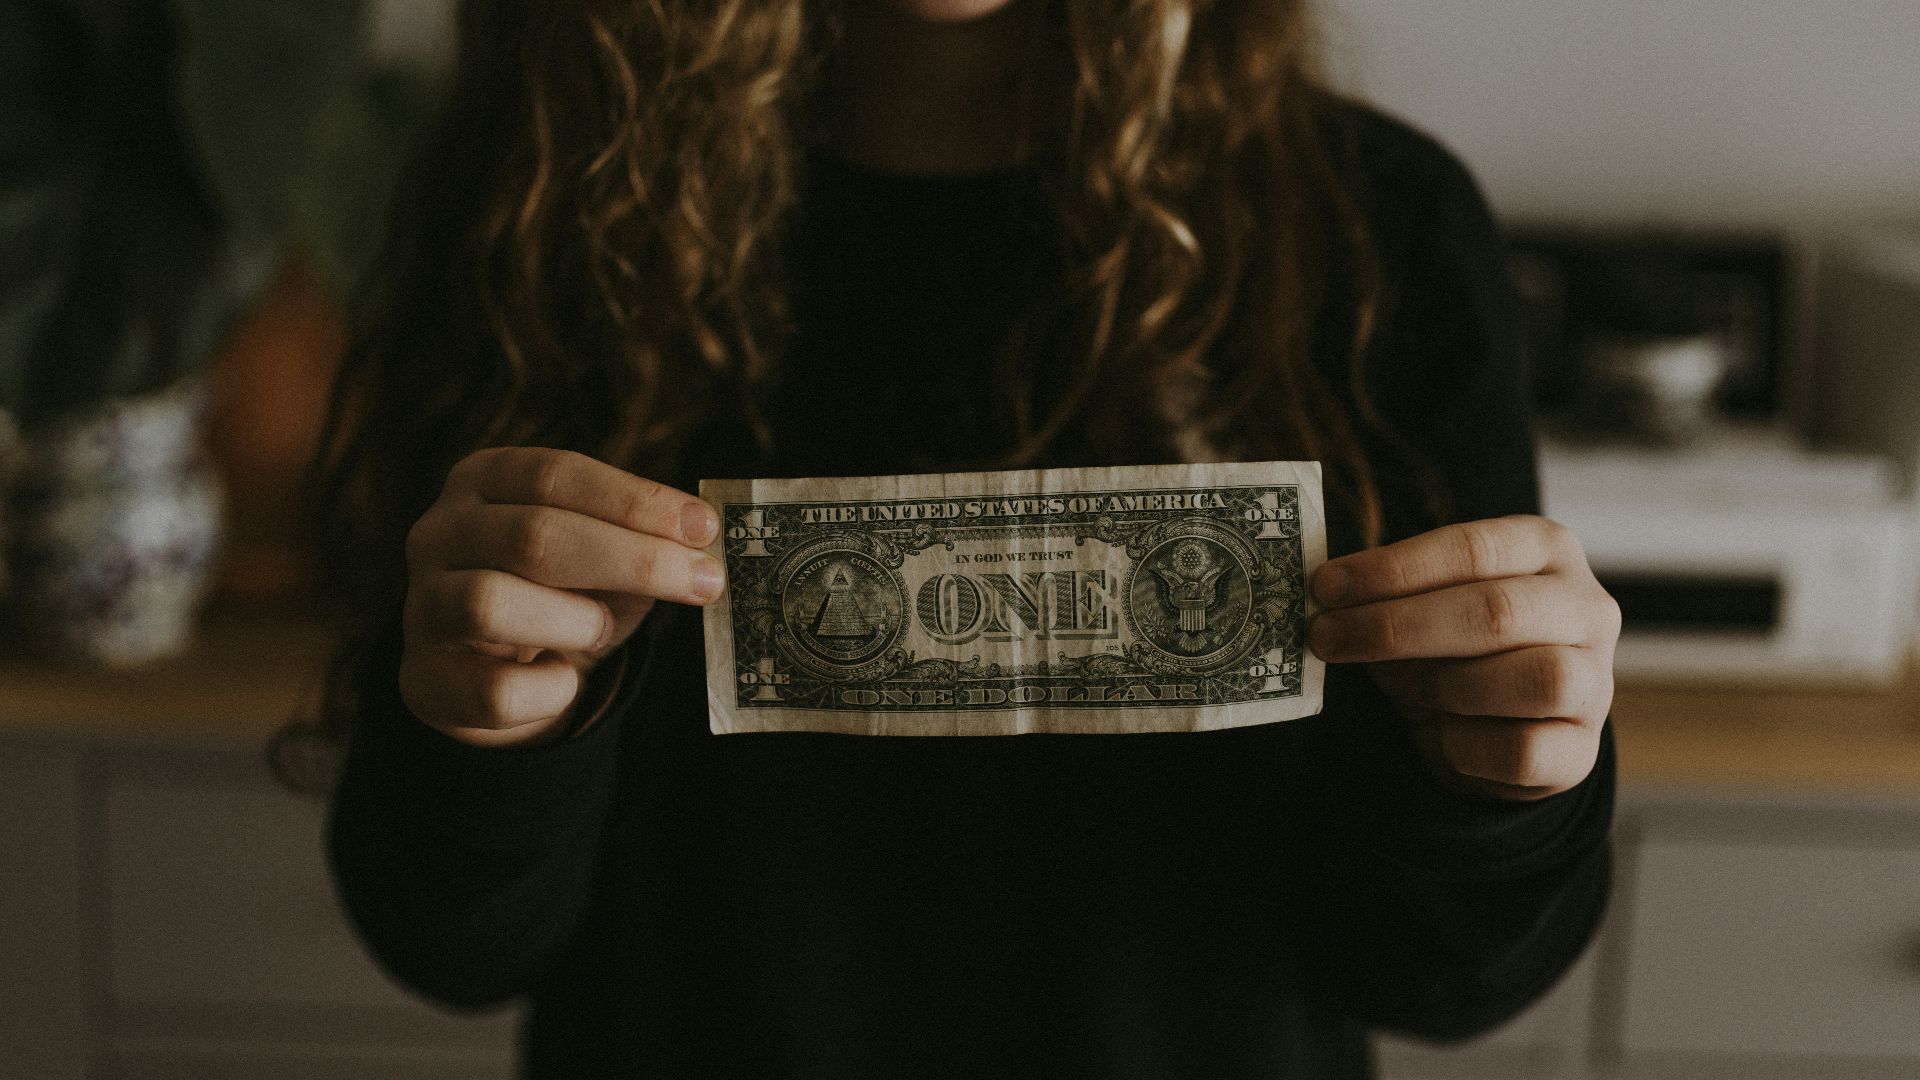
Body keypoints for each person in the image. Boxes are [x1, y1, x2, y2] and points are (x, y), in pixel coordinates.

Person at [316, 1, 1619, 1077]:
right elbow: (451, 943)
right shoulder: (536, 212)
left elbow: (1443, 978)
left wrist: (1506, 785)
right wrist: (488, 735)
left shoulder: (1376, 236)